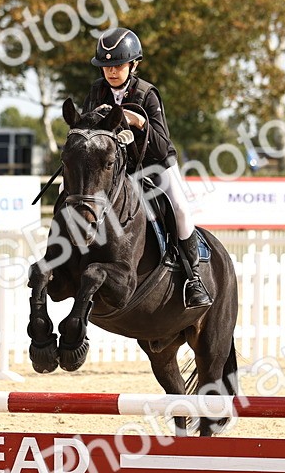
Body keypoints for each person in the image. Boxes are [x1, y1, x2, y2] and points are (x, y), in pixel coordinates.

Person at [81, 27, 211, 308]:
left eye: (117, 65)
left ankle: (193, 279)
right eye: (106, 66)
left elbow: (162, 145)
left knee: (181, 209)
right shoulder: (96, 91)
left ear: (133, 64)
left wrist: (139, 123)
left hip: (154, 163)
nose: (111, 72)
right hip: (118, 167)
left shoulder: (147, 93)